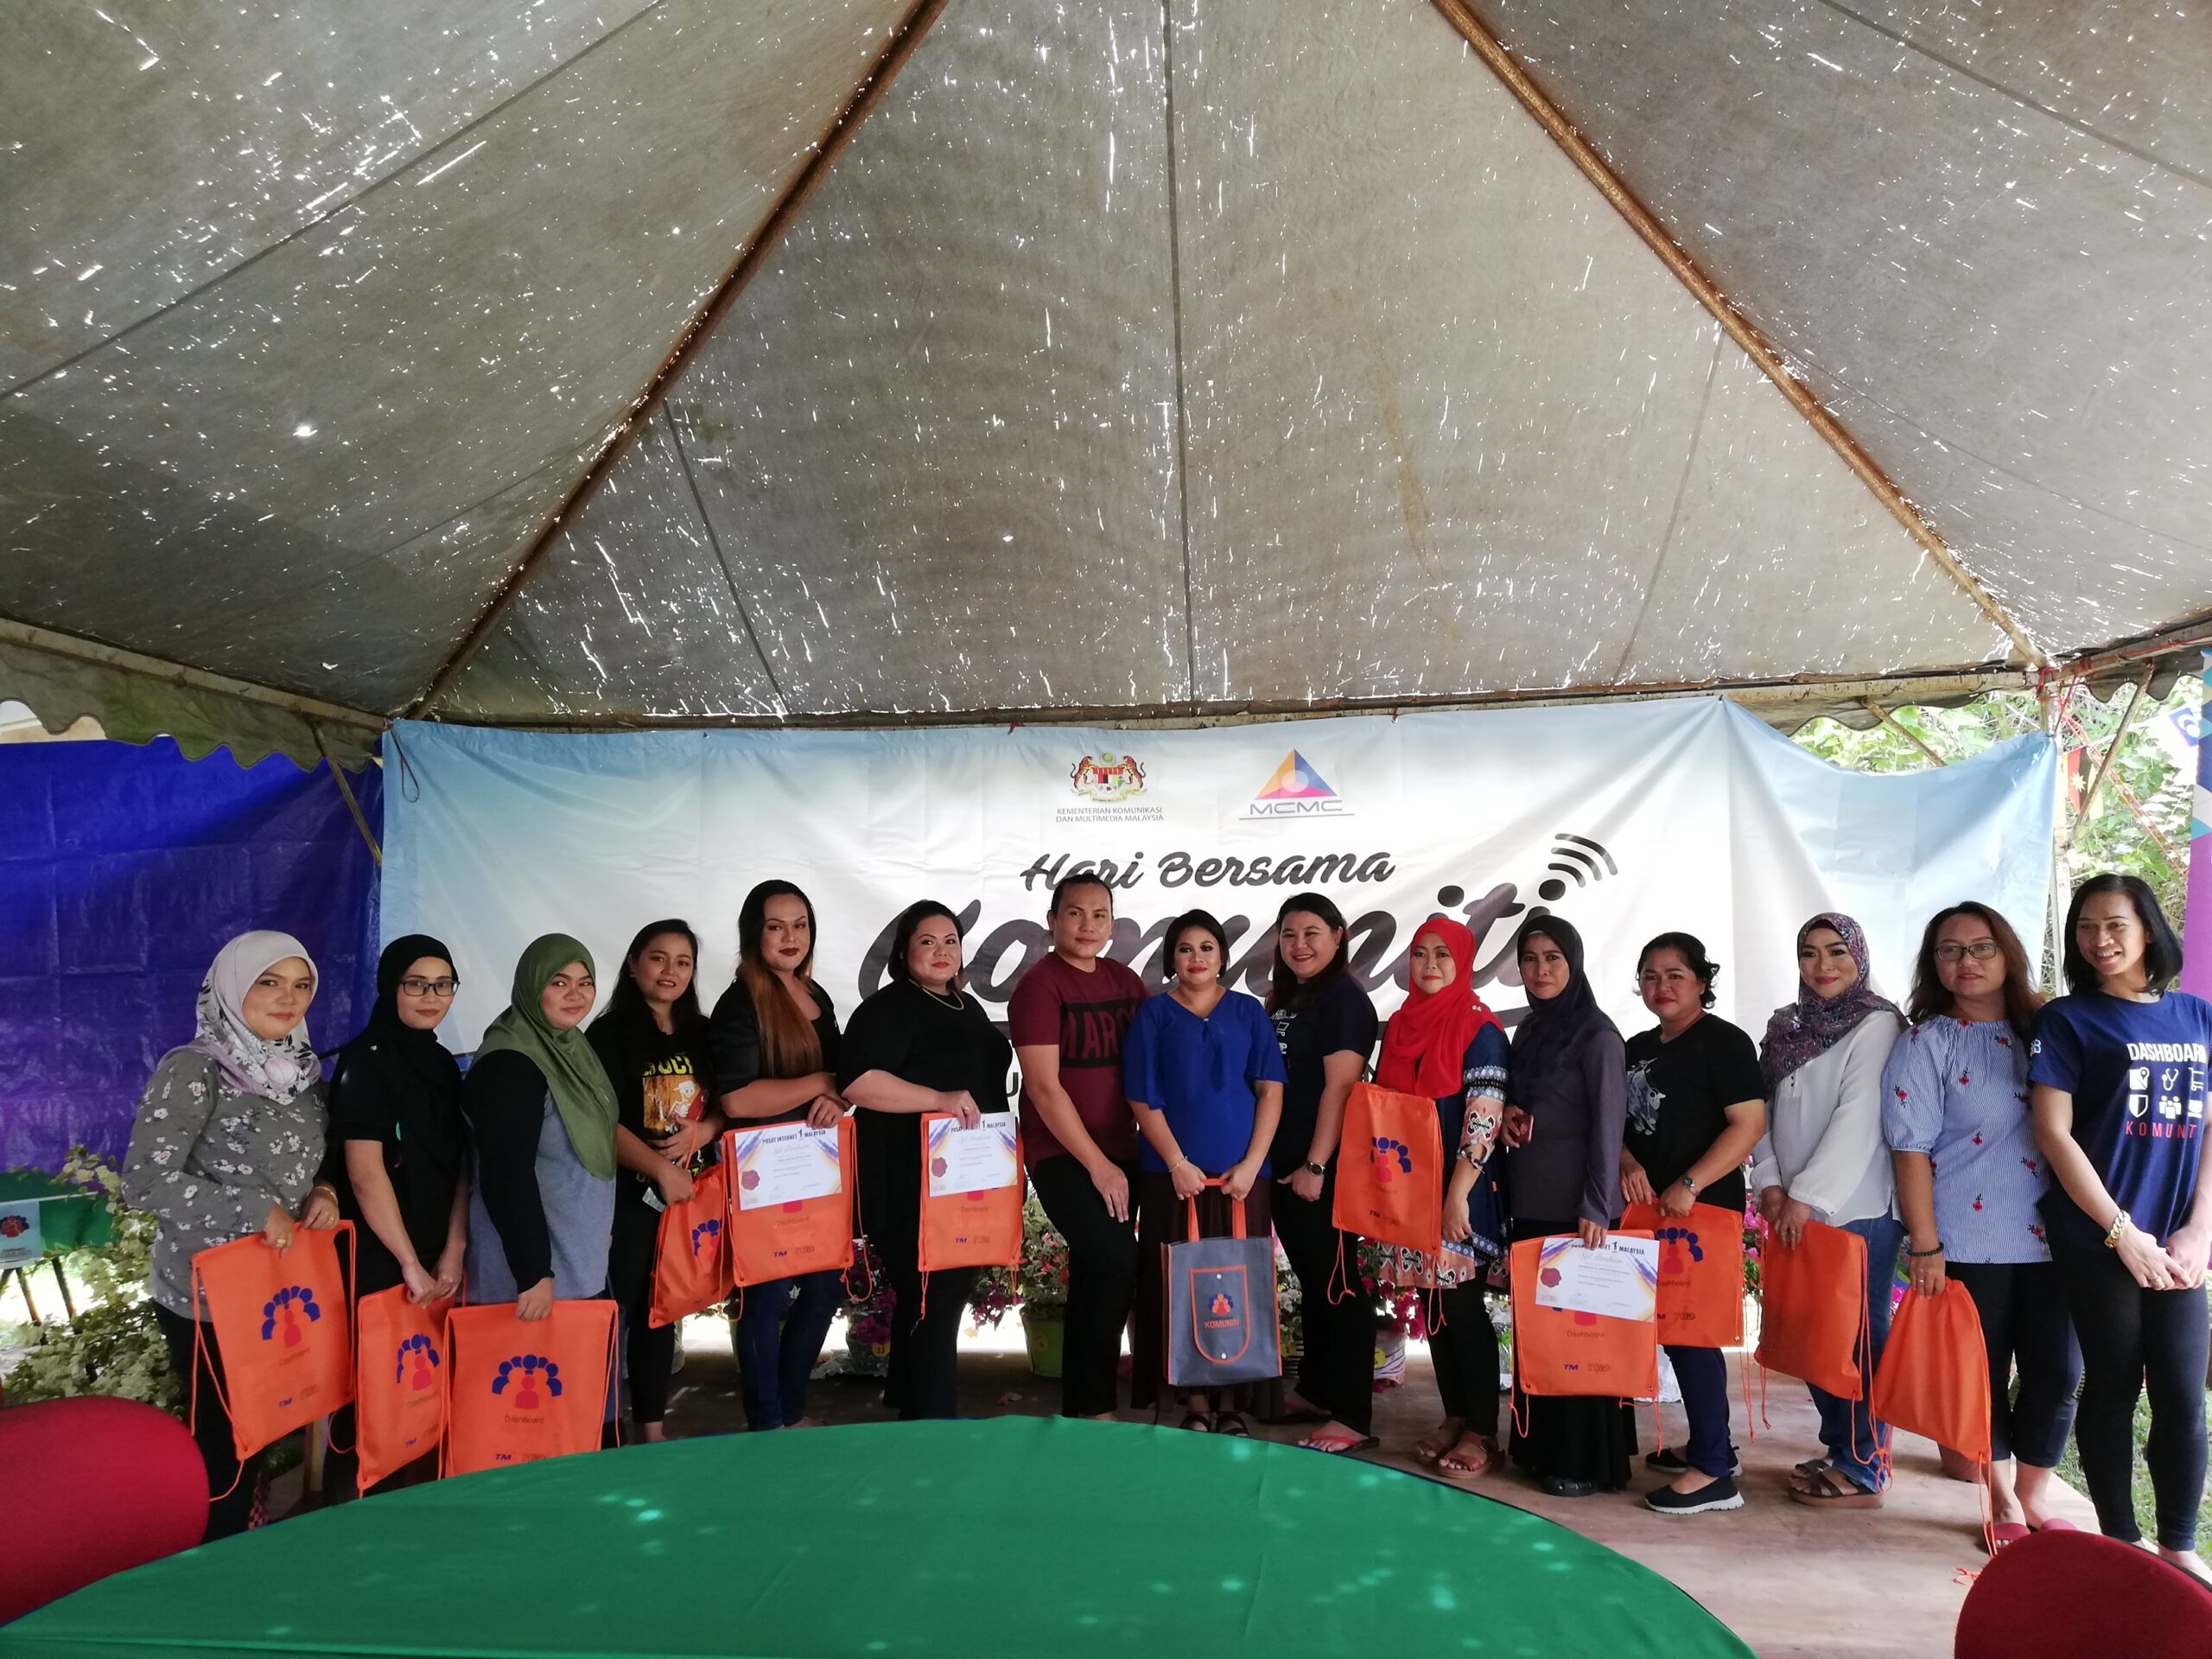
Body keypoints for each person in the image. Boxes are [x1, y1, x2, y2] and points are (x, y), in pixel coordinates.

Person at [122, 932, 337, 1541]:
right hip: (208, 1298)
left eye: (301, 985)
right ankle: (215, 1560)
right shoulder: (195, 1069)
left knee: (265, 1429)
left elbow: (311, 1160)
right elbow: (143, 1181)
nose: (288, 998)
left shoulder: (301, 1072)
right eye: (269, 983)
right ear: (232, 987)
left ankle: (250, 1540)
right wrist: (252, 1209)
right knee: (225, 1443)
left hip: (276, 1290)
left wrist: (325, 1190)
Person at [2030, 874, 2211, 1585]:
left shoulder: (2196, 1016)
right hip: (2096, 1237)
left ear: (2148, 930)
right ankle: (2121, 1541)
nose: (2099, 940)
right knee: (2113, 1382)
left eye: (2115, 925)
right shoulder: (2067, 1021)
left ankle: (2178, 1546)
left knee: (2182, 1392)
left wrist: (2201, 1229)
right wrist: (2121, 1233)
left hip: (2178, 1239)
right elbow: (2054, 1134)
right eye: (2086, 927)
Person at [1884, 902, 2077, 1546]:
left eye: (1981, 947)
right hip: (1969, 1240)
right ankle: (2002, 1503)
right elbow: (1910, 1148)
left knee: (2058, 1372)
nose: (1966, 961)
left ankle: (2035, 1495)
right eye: (1949, 950)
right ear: (1933, 965)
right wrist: (1925, 1244)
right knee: (1981, 1375)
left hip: (2061, 1237)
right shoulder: (1927, 1043)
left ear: (2008, 954)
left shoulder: (2052, 1027)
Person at [1752, 912, 1907, 1510]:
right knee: (1814, 1335)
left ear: (1859, 957)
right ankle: (1842, 1447)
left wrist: (1806, 1196)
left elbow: (1859, 1117)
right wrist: (1770, 1183)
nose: (1823, 966)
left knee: (1858, 1338)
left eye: (1837, 951)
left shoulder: (1878, 1022)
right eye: (1810, 952)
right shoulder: (1785, 1026)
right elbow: (1762, 1110)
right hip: (1793, 1208)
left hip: (1856, 1208)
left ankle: (1867, 1462)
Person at [839, 901, 1013, 1421]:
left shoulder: (966, 1005)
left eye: (950, 941)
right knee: (936, 1299)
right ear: (903, 952)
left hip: (962, 1181)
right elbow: (857, 1082)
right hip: (907, 1183)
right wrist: (937, 1098)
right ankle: (934, 1424)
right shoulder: (888, 1008)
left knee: (928, 1298)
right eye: (927, 942)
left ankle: (908, 1404)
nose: (942, 952)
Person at [1620, 932, 1767, 1516]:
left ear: (1702, 981)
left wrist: (1691, 1182)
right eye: (1650, 976)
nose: (1662, 986)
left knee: (1691, 1332)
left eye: (1675, 974)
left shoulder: (1724, 1042)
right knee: (1669, 1330)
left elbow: (1748, 1125)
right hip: (1647, 1210)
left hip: (1700, 1212)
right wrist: (1627, 1163)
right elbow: (1617, 1125)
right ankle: (1714, 1447)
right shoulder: (1636, 1046)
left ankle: (1712, 1475)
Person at [1125, 909, 1286, 1433]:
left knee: (1242, 1284)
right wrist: (1176, 1162)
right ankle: (1194, 1404)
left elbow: (1270, 1090)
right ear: (1171, 958)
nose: (1196, 958)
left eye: (1207, 948)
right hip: (1172, 1178)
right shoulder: (1154, 1015)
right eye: (1185, 948)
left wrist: (1253, 1164)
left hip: (1244, 1180)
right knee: (1179, 1287)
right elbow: (1142, 1098)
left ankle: (1234, 1402)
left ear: (1223, 956)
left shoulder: (1248, 1012)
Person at [321, 935, 468, 1494]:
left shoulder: (441, 1063)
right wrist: (409, 1262)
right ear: (390, 987)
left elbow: (462, 1164)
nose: (431, 997)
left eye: (443, 985)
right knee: (371, 1402)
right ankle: (352, 1522)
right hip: (381, 1259)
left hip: (436, 1256)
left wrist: (454, 1248)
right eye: (416, 985)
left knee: (420, 1393)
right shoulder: (367, 1062)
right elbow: (365, 1172)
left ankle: (406, 1518)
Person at [1499, 913, 1634, 1497]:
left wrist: (1597, 1206)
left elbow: (1608, 1126)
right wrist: (1511, 1112)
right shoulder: (1531, 1030)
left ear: (1574, 963)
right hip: (1532, 1202)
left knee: (1581, 1339)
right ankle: (1541, 1449)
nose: (1541, 970)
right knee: (1540, 1335)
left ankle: (1582, 1461)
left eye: (1553, 958)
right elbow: (1522, 1098)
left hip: (1578, 1211)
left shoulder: (1597, 1035)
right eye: (1530, 960)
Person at [1009, 873, 1149, 1420]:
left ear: (1112, 924)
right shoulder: (1040, 986)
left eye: (1099, 915)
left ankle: (1084, 1406)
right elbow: (1044, 1088)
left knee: (1098, 1269)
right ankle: (1093, 1405)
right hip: (1064, 1154)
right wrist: (1098, 1165)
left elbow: (1154, 1060)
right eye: (1075, 913)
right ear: (1052, 921)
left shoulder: (1125, 981)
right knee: (1115, 1259)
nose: (1088, 925)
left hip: (1125, 1150)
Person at [711, 881, 849, 1432]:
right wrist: (820, 1082)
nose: (790, 937)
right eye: (776, 926)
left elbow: (844, 1077)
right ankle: (766, 1423)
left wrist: (836, 1098)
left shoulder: (817, 995)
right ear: (754, 934)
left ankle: (791, 1413)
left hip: (818, 1167)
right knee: (766, 1298)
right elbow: (737, 1100)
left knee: (824, 1290)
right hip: (763, 1172)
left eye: (800, 925)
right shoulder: (739, 1003)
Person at [1376, 917, 1509, 1479]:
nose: (1430, 965)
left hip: (1460, 1191)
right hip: (1411, 1191)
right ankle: (1454, 1416)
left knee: (1462, 1307)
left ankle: (1482, 1431)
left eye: (1443, 955)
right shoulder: (1402, 1025)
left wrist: (1457, 1196)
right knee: (1435, 1309)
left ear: (1463, 962)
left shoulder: (1479, 1027)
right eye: (1420, 953)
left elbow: (1483, 1120)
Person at [588, 921, 714, 1443]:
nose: (670, 971)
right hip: (625, 1196)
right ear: (634, 964)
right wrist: (659, 1168)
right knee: (617, 1310)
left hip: (685, 1196)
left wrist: (702, 1132)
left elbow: (727, 1105)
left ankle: (651, 1430)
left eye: (683, 962)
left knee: (662, 1309)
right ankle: (600, 1428)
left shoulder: (702, 1032)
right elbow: (599, 1122)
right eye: (659, 958)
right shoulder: (607, 1035)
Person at [1266, 893, 1382, 1455]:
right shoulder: (1291, 995)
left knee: (1339, 1286)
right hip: (1284, 1161)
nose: (1300, 945)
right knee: (1315, 1280)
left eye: (1312, 933)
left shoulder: (1344, 1000)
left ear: (1338, 937)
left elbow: (1340, 1089)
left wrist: (1316, 1164)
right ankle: (1316, 1389)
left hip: (1324, 1167)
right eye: (1289, 934)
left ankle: (1353, 1416)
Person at [465, 935, 619, 1332]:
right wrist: (532, 1272)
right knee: (527, 1372)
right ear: (532, 986)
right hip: (530, 1282)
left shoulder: (570, 1048)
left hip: (573, 1266)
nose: (575, 994)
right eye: (559, 982)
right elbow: (505, 1172)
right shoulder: (510, 1063)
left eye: (585, 982)